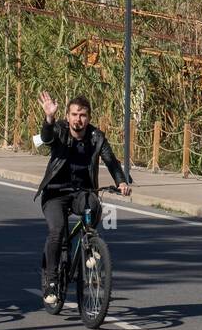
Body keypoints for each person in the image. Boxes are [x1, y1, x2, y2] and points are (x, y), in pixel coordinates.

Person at [35, 90, 131, 306]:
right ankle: (51, 281)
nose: (79, 119)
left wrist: (121, 182)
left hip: (81, 192)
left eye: (83, 115)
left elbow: (111, 161)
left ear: (89, 117)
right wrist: (49, 118)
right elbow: (46, 137)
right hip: (55, 193)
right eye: (74, 114)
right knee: (57, 231)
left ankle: (89, 243)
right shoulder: (59, 130)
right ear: (67, 116)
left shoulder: (97, 137)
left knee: (95, 204)